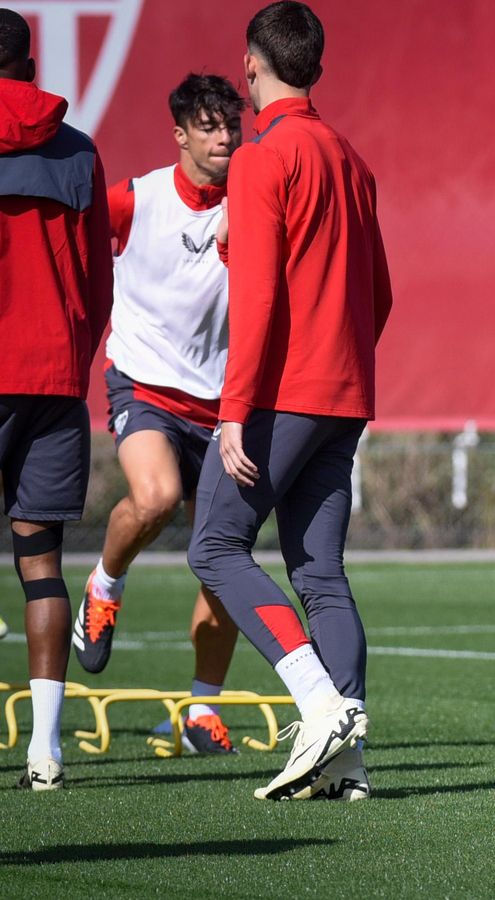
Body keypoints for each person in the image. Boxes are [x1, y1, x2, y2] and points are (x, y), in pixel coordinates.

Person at [187, 1, 393, 801]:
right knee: (320, 573)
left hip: (283, 394)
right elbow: (380, 295)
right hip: (345, 394)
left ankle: (318, 706)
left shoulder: (262, 158)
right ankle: (349, 764)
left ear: (250, 64)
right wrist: (346, 367)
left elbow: (261, 299)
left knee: (214, 548)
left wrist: (235, 407)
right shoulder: (350, 157)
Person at [72, 74, 245, 755]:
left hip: (225, 405)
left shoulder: (252, 201)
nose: (225, 137)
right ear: (180, 135)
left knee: (223, 561)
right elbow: (74, 251)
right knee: (157, 496)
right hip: (143, 384)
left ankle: (203, 712)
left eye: (230, 124)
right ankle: (103, 586)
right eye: (208, 126)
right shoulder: (134, 199)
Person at [0, 7, 114, 790]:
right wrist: (71, 356)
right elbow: (98, 282)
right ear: (30, 63)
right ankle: (46, 749)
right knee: (42, 567)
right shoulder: (77, 149)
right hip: (54, 380)